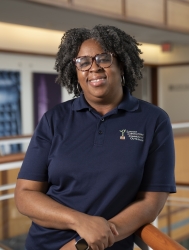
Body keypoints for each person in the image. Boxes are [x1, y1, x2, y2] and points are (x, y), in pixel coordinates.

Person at [15, 25, 176, 250]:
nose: (94, 68)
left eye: (103, 59)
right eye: (83, 62)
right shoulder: (55, 119)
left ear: (122, 64)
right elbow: (25, 194)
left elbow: (151, 202)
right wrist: (80, 222)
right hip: (43, 244)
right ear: (76, 71)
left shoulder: (153, 120)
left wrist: (84, 243)